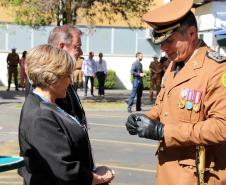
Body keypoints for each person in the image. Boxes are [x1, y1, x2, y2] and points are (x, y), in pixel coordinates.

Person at [125, 0, 226, 184]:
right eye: (161, 43)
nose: (163, 49)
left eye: (169, 41)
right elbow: (164, 107)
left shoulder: (216, 69)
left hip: (198, 176)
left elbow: (222, 127)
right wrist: (144, 119)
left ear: (191, 33)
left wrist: (164, 132)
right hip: (168, 171)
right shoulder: (175, 65)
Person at [19, 44, 115, 185]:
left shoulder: (48, 105)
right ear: (51, 77)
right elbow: (63, 168)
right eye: (66, 75)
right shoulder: (40, 116)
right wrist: (97, 178)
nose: (70, 81)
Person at [25, 24, 87, 127]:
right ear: (62, 46)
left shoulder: (62, 75)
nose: (81, 52)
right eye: (77, 47)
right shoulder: (45, 81)